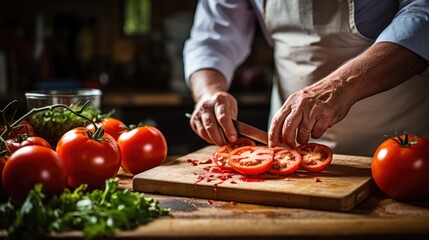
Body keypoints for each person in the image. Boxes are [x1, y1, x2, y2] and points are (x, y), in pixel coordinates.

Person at [183, 0, 429, 156]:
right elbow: (211, 38)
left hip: (401, 151)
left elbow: (422, 19)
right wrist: (209, 93)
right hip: (287, 151)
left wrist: (340, 85)